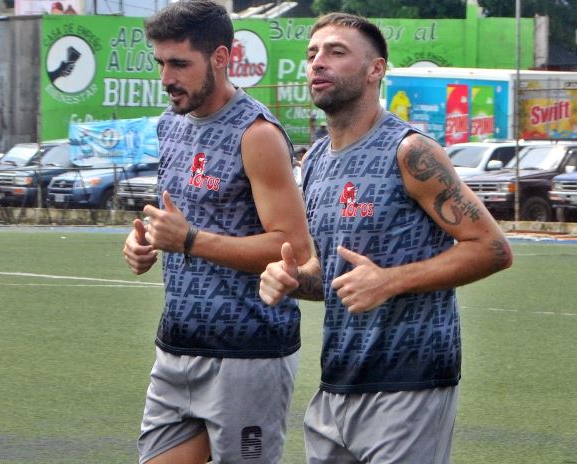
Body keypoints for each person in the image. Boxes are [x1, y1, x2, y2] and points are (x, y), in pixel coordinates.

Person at [259, 13, 513, 464]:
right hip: (336, 384)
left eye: (336, 52)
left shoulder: (411, 151)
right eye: (312, 54)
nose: (318, 63)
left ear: (376, 69)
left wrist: (390, 281)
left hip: (408, 385)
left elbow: (492, 248)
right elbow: (337, 277)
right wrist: (294, 280)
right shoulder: (315, 159)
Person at [123, 1, 311, 463]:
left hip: (247, 354)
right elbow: (183, 218)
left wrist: (188, 241)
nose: (166, 77)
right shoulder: (170, 124)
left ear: (222, 58)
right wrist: (145, 241)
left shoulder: (257, 133)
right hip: (177, 345)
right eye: (161, 63)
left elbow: (293, 246)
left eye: (180, 64)